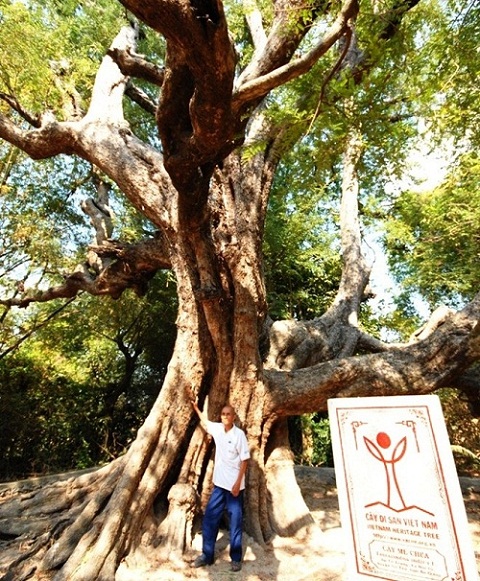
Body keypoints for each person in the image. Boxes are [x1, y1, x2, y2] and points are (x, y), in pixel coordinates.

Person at [191, 399, 250, 572]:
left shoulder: (239, 435)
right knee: (210, 518)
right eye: (223, 414)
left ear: (233, 417)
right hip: (219, 486)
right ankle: (207, 555)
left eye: (228, 414)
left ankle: (236, 558)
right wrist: (195, 406)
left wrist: (238, 483)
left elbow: (245, 460)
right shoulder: (217, 429)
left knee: (235, 522)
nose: (225, 416)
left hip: (234, 488)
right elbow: (204, 421)